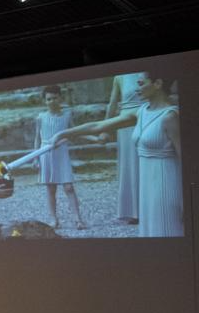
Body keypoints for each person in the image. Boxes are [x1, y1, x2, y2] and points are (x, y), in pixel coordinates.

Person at [48, 74, 181, 237]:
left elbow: (185, 159)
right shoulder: (140, 112)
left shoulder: (171, 116)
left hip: (165, 182)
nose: (136, 88)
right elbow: (98, 125)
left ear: (158, 83)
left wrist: (185, 200)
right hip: (146, 183)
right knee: (151, 232)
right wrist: (63, 134)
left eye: (141, 84)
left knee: (167, 229)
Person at [34, 85, 86, 230]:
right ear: (45, 101)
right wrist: (36, 158)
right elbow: (37, 138)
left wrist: (62, 140)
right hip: (46, 153)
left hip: (61, 153)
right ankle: (54, 219)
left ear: (60, 98)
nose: (52, 101)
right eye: (48, 99)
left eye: (55, 98)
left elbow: (74, 133)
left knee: (69, 187)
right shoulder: (41, 117)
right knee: (51, 189)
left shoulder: (67, 115)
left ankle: (77, 219)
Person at [106, 72, 147, 222]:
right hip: (126, 124)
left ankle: (150, 207)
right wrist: (105, 128)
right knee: (130, 165)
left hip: (147, 118)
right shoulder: (120, 77)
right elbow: (112, 103)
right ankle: (133, 211)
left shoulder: (148, 72)